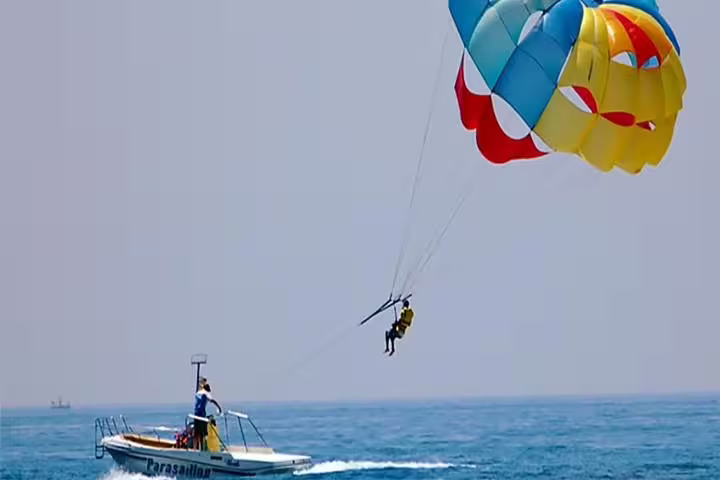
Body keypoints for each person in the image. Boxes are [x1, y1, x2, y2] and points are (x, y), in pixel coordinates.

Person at [193, 378, 222, 450]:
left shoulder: (198, 393)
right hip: (202, 415)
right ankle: (202, 449)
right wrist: (219, 407)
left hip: (196, 414)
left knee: (197, 433)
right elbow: (212, 400)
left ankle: (194, 448)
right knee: (203, 433)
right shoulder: (205, 394)